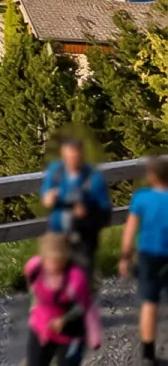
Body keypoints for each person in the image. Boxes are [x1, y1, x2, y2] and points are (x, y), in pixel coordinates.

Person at [121, 155, 168, 361]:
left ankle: (148, 353)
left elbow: (130, 230)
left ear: (152, 176)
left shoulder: (141, 197)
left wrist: (125, 257)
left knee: (149, 302)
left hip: (148, 254)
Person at [26, 232, 96, 366]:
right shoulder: (34, 268)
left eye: (57, 261)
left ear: (66, 258)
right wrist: (34, 309)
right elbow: (33, 289)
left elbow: (83, 306)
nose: (52, 266)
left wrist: (64, 320)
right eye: (49, 260)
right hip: (41, 329)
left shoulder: (76, 278)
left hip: (71, 333)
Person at [42, 137, 112, 269]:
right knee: (57, 272)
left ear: (82, 155)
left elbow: (104, 207)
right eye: (69, 156)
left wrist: (87, 211)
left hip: (84, 233)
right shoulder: (56, 171)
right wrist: (50, 198)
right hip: (58, 232)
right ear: (63, 154)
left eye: (75, 156)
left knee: (82, 270)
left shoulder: (93, 176)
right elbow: (46, 199)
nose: (72, 160)